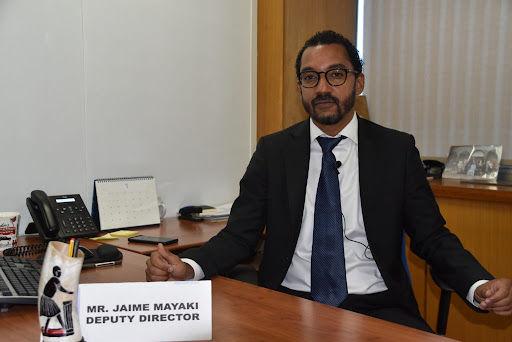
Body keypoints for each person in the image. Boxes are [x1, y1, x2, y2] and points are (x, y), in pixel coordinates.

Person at [146, 30, 512, 332]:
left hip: (378, 306)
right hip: (286, 302)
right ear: (300, 87)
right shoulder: (273, 151)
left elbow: (432, 237)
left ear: (359, 81)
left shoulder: (396, 149)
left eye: (336, 74)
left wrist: (479, 284)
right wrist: (189, 267)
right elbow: (240, 234)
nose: (323, 88)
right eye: (310, 77)